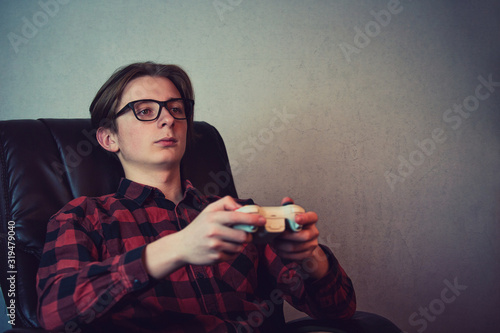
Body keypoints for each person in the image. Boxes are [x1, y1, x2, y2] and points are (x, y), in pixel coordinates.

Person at [36, 62, 356, 332]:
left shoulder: (241, 215)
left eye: (176, 109)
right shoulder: (84, 216)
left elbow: (339, 311)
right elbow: (54, 312)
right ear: (108, 138)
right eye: (145, 110)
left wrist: (313, 259)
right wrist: (178, 247)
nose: (168, 119)